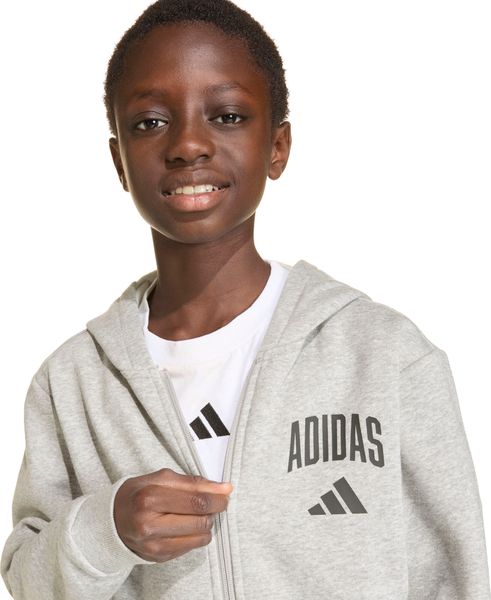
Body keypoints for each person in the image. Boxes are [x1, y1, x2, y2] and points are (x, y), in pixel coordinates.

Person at [1, 0, 490, 598]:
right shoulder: (73, 384)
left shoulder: (384, 355)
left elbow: (456, 573)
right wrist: (108, 531)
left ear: (277, 146)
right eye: (150, 122)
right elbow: (27, 577)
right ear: (119, 161)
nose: (188, 144)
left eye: (227, 116)